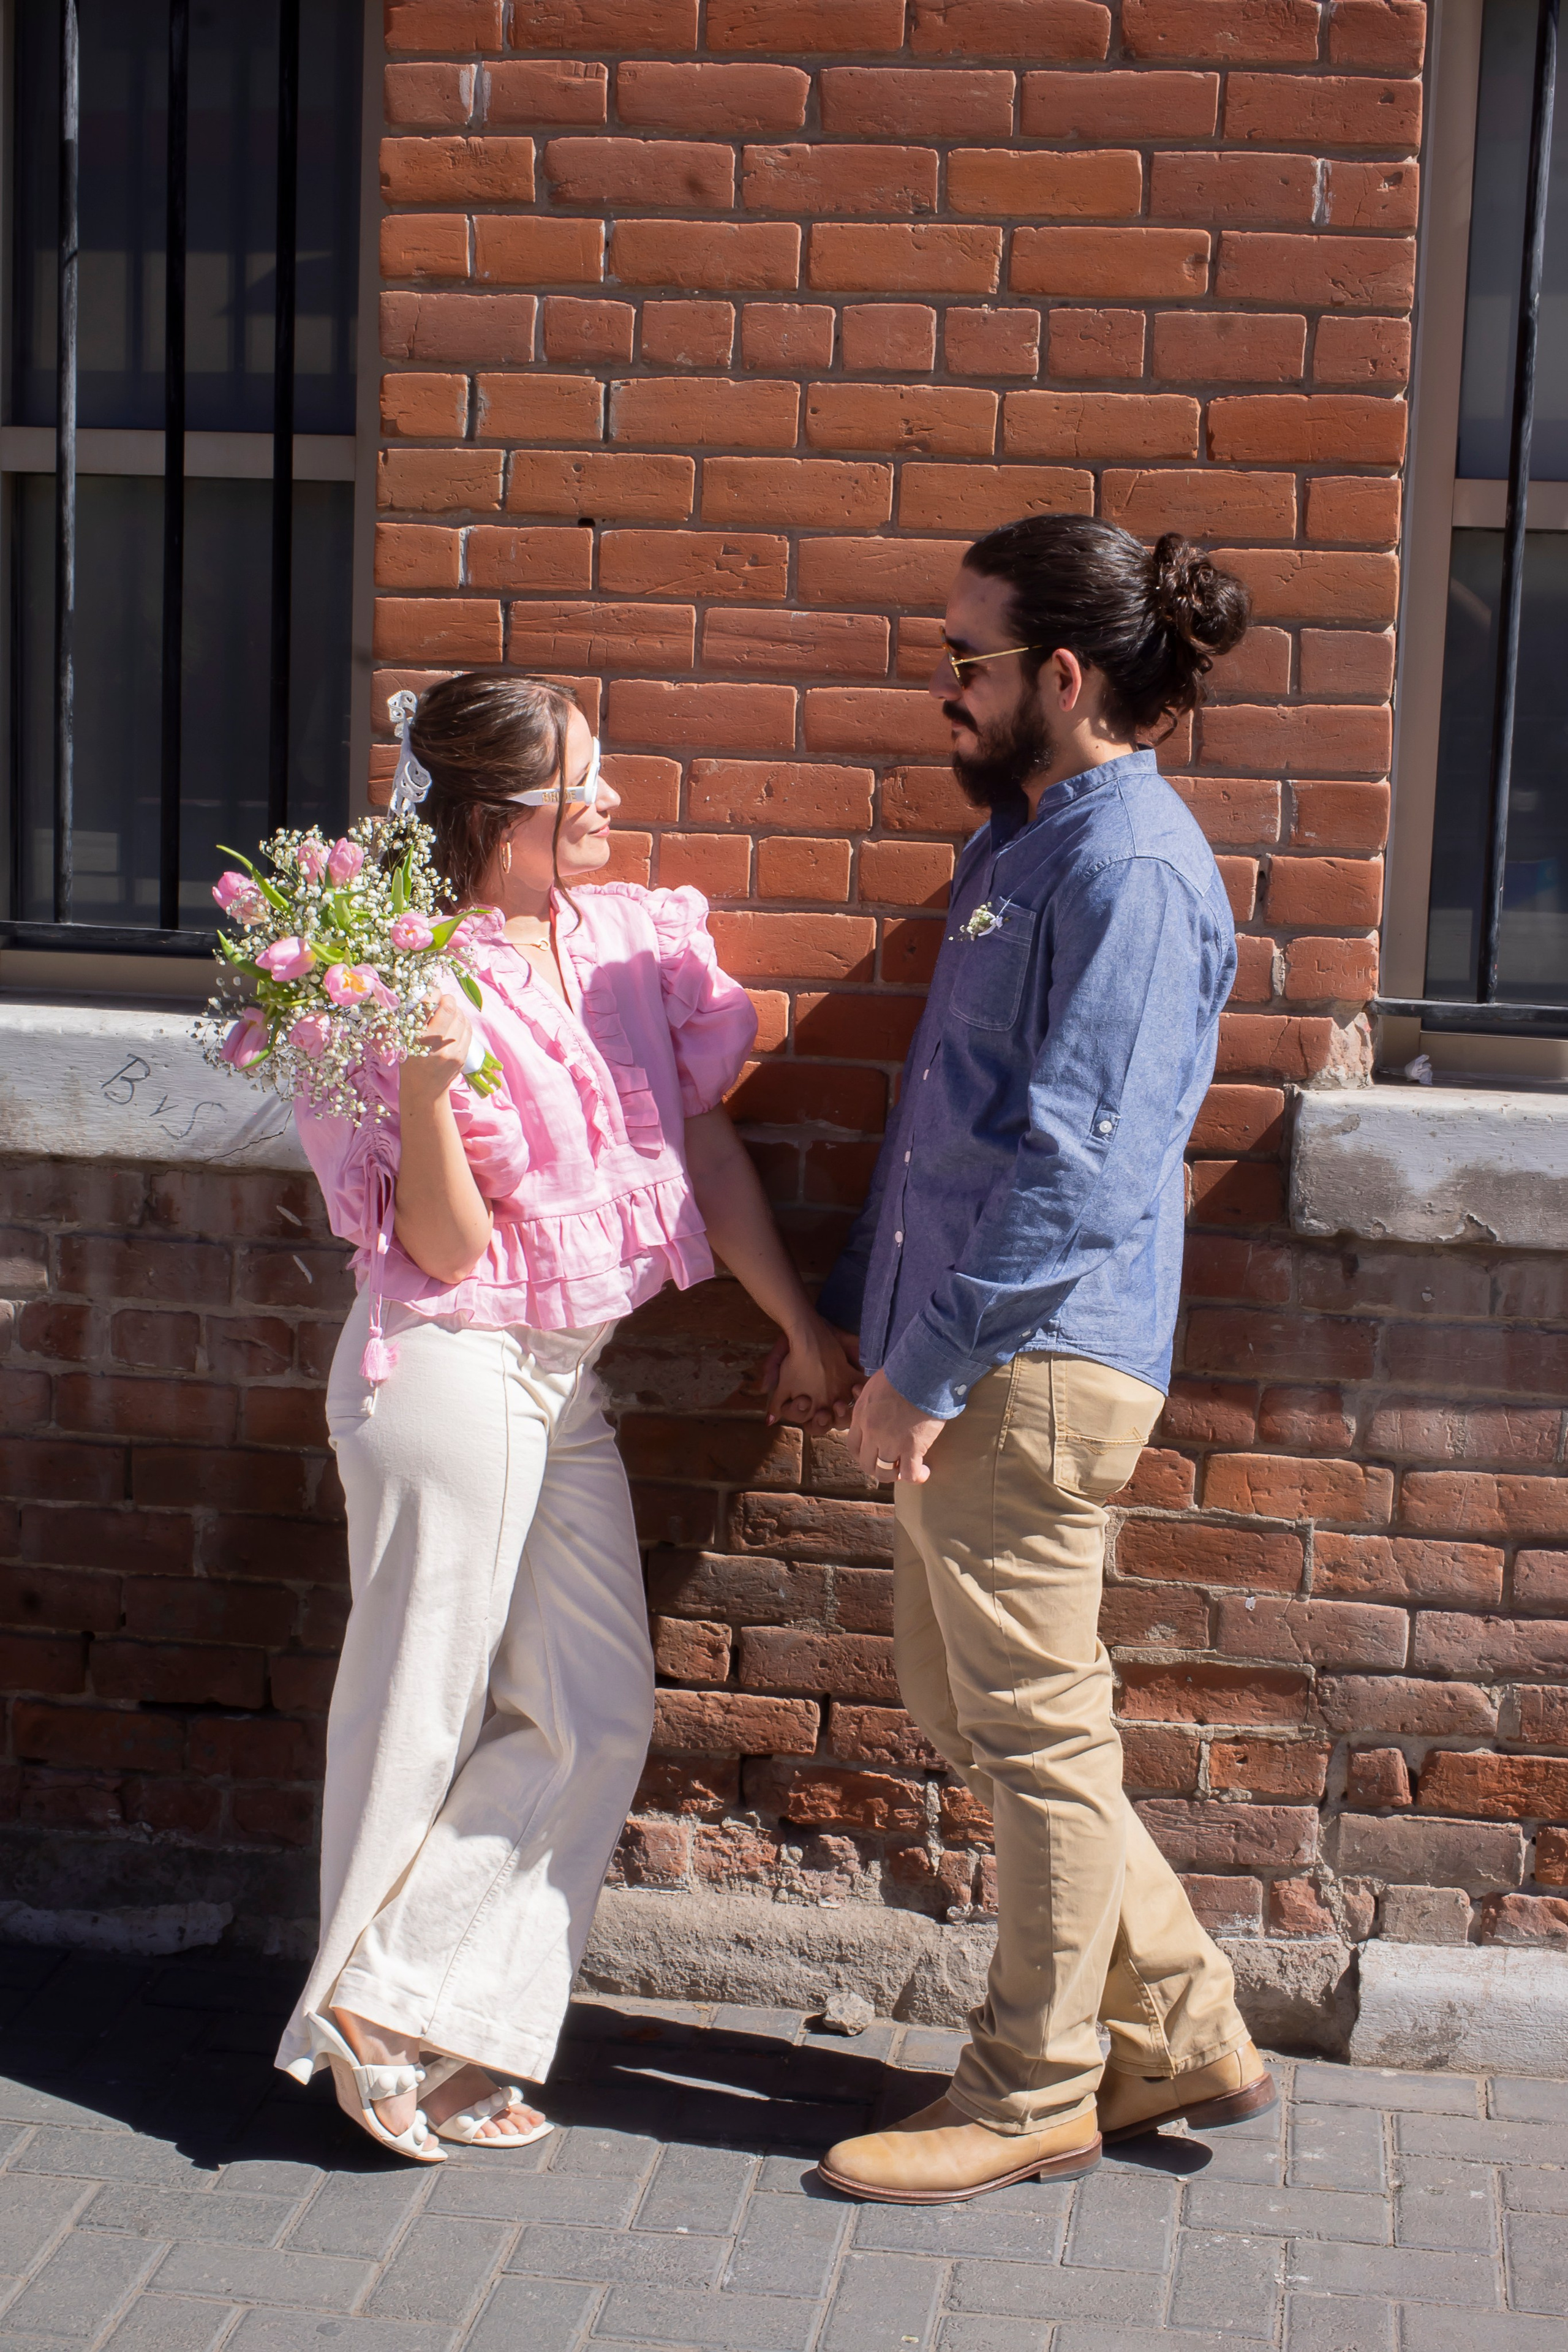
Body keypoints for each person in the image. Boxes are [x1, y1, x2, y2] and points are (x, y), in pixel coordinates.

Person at [276, 675, 855, 2160]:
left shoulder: (623, 941)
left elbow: (704, 1146)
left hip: (561, 1374)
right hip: (448, 1366)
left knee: (594, 1713)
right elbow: (450, 1251)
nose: (606, 803)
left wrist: (796, 1323)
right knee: (418, 1712)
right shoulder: (391, 975)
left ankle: (410, 2000)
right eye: (573, 789)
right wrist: (416, 1080)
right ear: (488, 818)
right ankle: (392, 2024)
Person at [811, 516, 1276, 2204]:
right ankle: (1182, 2020)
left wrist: (922, 1365)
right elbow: (952, 1129)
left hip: (1034, 1360)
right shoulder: (1029, 847)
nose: (946, 687)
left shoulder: (1129, 867)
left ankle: (1036, 2087)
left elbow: (1082, 1168)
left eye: (968, 661)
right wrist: (883, 1329)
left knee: (1035, 1728)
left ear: (1061, 678)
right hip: (975, 1352)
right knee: (977, 1707)